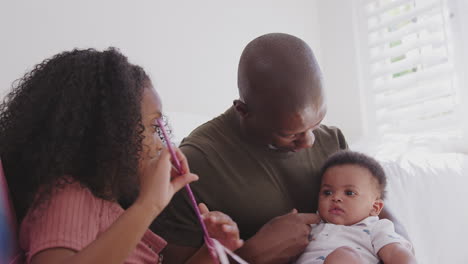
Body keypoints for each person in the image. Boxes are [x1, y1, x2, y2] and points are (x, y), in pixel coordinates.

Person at [151, 33, 408, 264]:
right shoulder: (195, 164)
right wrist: (251, 253)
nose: (309, 141)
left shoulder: (331, 141)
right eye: (291, 134)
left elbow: (377, 214)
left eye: (316, 123)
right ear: (244, 111)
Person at [0, 48, 244, 264]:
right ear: (109, 133)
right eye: (153, 127)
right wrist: (149, 204)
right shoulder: (69, 197)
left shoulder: (111, 207)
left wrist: (212, 251)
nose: (162, 145)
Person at [295, 150, 416, 264]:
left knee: (343, 257)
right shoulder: (310, 226)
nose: (336, 197)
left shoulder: (375, 228)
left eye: (349, 193)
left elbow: (395, 252)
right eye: (327, 192)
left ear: (375, 207)